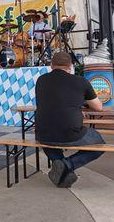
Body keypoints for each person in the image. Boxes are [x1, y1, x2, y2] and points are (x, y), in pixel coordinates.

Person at [35, 52, 104, 188]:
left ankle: (61, 170)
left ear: (51, 65)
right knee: (100, 145)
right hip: (70, 133)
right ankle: (68, 164)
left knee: (50, 137)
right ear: (70, 66)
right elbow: (98, 107)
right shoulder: (80, 81)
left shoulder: (41, 80)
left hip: (42, 133)